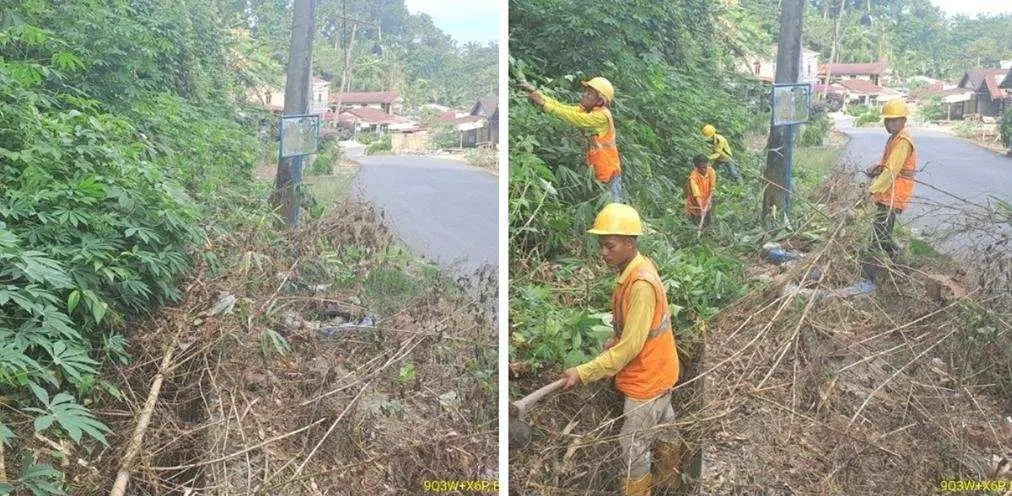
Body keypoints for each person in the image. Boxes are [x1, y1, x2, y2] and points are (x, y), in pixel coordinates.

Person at [560, 203, 681, 495]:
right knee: (666, 430)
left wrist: (584, 371)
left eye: (609, 246)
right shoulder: (635, 269)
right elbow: (640, 331)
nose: (604, 252)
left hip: (647, 379)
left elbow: (630, 349)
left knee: (633, 448)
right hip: (661, 371)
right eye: (602, 246)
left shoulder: (640, 284)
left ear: (630, 243)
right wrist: (619, 338)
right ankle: (670, 484)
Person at [522, 77, 624, 200]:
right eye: (586, 91)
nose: (584, 95)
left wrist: (543, 104)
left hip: (608, 175)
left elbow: (573, 117)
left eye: (590, 93)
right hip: (595, 173)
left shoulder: (601, 117)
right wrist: (539, 95)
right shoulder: (587, 110)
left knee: (613, 213)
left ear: (600, 100)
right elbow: (562, 107)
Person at [864, 99, 917, 258]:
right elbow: (887, 164)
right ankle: (890, 252)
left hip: (896, 189)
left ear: (904, 121)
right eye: (887, 120)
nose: (889, 124)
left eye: (894, 120)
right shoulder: (894, 138)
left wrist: (872, 190)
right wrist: (876, 167)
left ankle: (885, 256)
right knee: (883, 225)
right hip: (889, 189)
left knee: (882, 226)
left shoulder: (903, 142)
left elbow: (891, 171)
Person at [684, 154, 716, 229]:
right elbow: (696, 194)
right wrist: (701, 207)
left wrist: (709, 199)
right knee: (696, 224)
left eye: (705, 167)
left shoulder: (711, 171)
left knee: (708, 221)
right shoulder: (693, 178)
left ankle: (709, 230)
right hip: (695, 203)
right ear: (696, 167)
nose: (704, 170)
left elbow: (712, 187)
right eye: (701, 168)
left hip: (707, 199)